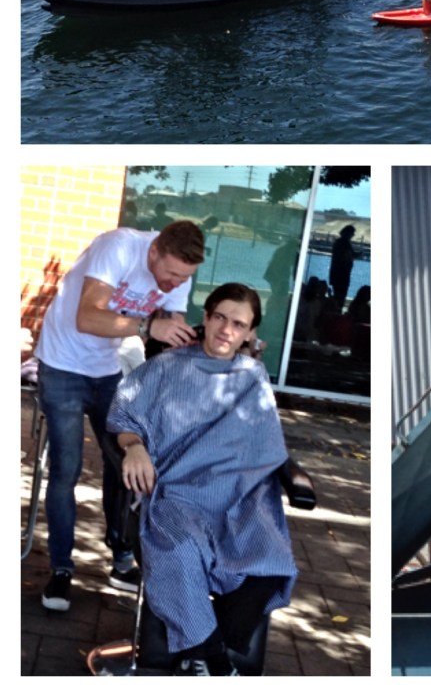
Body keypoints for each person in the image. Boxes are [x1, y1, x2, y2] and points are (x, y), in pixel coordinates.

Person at [107, 283, 297, 676]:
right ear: (206, 318)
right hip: (178, 492)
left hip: (241, 495)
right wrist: (134, 447)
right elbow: (125, 418)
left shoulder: (253, 376)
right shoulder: (166, 367)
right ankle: (216, 662)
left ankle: (200, 657)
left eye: (238, 324)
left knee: (270, 560)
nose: (227, 329)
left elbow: (267, 442)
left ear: (249, 333)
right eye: (221, 318)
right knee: (178, 550)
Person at [34, 220, 205, 613]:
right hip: (62, 366)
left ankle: (121, 557)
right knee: (67, 470)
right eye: (171, 274)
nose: (174, 283)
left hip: (107, 371)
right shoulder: (120, 247)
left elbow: (169, 341)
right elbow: (87, 317)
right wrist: (148, 325)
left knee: (128, 461)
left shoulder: (178, 276)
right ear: (154, 251)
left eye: (185, 278)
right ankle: (61, 569)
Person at [329, 225, 357, 310]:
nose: (353, 235)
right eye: (352, 233)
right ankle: (337, 312)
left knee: (337, 296)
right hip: (342, 275)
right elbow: (349, 255)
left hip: (337, 274)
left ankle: (336, 311)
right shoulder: (344, 243)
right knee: (340, 297)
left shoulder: (339, 242)